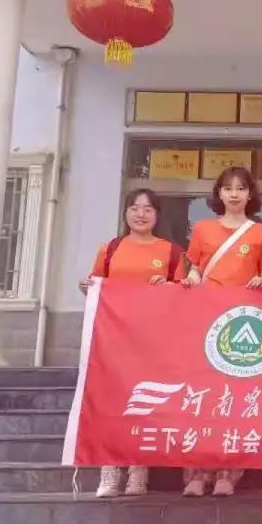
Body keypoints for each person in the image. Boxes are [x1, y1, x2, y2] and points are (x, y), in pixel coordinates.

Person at [181, 165, 262, 498]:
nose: (234, 194)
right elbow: (195, 269)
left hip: (242, 324)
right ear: (219, 193)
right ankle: (196, 473)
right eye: (228, 188)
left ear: (250, 194)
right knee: (203, 398)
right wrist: (191, 280)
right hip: (206, 321)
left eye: (240, 188)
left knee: (235, 398)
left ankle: (228, 472)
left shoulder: (261, 232)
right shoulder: (203, 229)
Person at [80, 187, 184, 498]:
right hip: (114, 341)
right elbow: (97, 287)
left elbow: (182, 294)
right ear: (125, 212)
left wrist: (167, 286)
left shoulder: (171, 252)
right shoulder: (111, 249)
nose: (140, 214)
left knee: (145, 405)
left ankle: (139, 469)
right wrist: (86, 286)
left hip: (152, 341)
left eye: (148, 209)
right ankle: (110, 470)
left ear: (157, 215)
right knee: (112, 404)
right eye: (135, 208)